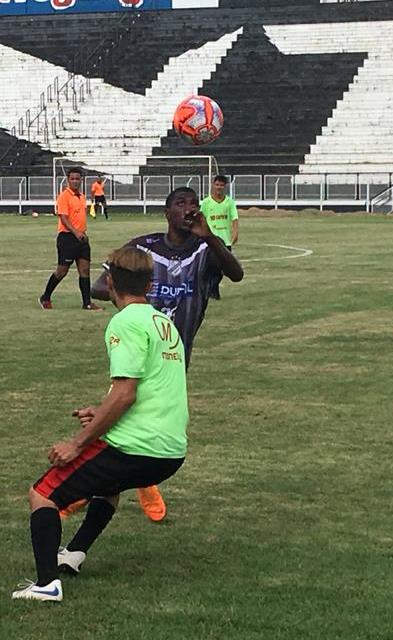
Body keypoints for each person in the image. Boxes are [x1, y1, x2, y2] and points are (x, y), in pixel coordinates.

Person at [13, 247, 188, 603]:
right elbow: (149, 389)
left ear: (109, 283)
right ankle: (74, 553)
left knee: (43, 493)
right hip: (170, 451)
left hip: (138, 447)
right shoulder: (163, 322)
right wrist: (101, 410)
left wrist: (77, 443)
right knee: (107, 485)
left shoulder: (123, 323)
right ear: (150, 284)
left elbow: (125, 394)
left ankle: (47, 584)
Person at [78, 187, 243, 523]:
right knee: (124, 418)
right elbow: (98, 286)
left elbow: (236, 274)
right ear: (166, 212)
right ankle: (106, 488)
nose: (189, 208)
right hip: (141, 348)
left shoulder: (204, 249)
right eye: (180, 203)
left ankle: (118, 484)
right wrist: (139, 303)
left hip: (173, 356)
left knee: (134, 423)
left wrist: (211, 237)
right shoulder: (142, 247)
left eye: (194, 204)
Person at [39, 166, 101, 311]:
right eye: (72, 179)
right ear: (68, 180)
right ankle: (45, 297)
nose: (75, 181)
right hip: (67, 238)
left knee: (85, 270)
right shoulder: (63, 196)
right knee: (62, 271)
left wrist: (82, 233)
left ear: (81, 180)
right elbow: (64, 218)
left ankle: (87, 303)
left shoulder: (82, 196)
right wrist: (76, 232)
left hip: (82, 238)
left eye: (77, 179)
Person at [200, 174, 238, 249]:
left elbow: (235, 219)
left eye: (221, 185)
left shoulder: (230, 202)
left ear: (225, 187)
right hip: (210, 242)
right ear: (213, 185)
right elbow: (201, 220)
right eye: (217, 185)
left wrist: (235, 234)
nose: (219, 187)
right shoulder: (206, 202)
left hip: (226, 241)